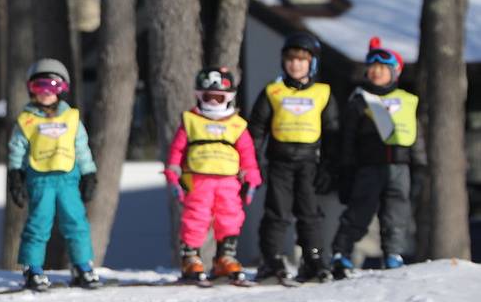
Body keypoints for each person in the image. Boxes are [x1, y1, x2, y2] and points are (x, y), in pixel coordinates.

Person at [249, 31, 340, 284]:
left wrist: (329, 167)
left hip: (310, 163)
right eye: (290, 59)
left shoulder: (322, 93)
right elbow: (256, 130)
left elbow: (333, 133)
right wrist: (254, 163)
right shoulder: (273, 92)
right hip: (280, 162)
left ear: (312, 63)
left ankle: (314, 259)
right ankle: (272, 260)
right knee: (277, 213)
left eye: (301, 59)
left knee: (310, 213)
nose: (295, 64)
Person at [330, 38, 423, 277]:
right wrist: (346, 167)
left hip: (400, 167)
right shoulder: (360, 100)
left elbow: (417, 134)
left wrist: (420, 164)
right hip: (368, 167)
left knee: (396, 214)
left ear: (395, 72)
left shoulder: (407, 100)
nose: (376, 72)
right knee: (359, 212)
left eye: (383, 68)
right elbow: (348, 137)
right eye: (372, 67)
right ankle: (341, 253)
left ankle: (393, 254)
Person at [7, 59, 101, 292]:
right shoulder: (27, 120)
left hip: (68, 178)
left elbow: (82, 147)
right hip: (40, 179)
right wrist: (15, 176)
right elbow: (16, 149)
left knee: (76, 222)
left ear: (62, 90)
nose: (46, 93)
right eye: (41, 87)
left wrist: (89, 173)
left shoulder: (70, 118)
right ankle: (33, 268)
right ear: (31, 89)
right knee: (39, 223)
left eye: (52, 87)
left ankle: (82, 265)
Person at [164, 66, 262, 284]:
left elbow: (247, 155)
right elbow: (177, 150)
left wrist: (252, 178)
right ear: (200, 96)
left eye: (219, 98)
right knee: (195, 218)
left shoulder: (237, 125)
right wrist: (173, 174)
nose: (214, 103)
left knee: (230, 217)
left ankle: (225, 257)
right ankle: (190, 257)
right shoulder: (191, 120)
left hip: (229, 183)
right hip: (198, 180)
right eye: (209, 97)